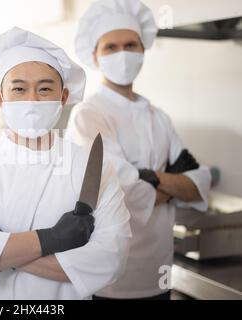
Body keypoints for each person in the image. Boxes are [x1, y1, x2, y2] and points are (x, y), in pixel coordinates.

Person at [0, 27, 132, 300]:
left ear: (63, 98)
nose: (32, 101)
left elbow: (111, 258)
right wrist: (52, 240)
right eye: (18, 89)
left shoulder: (91, 168)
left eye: (45, 89)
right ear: (0, 99)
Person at [67, 0, 211, 300]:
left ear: (143, 50)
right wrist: (171, 183)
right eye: (111, 47)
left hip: (158, 272)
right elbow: (118, 189)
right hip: (109, 280)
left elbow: (199, 182)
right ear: (95, 55)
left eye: (131, 44)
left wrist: (148, 177)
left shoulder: (158, 117)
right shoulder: (89, 114)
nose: (123, 54)